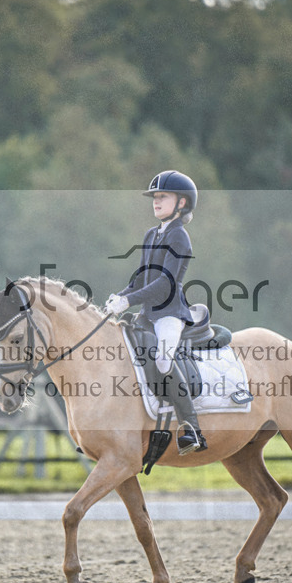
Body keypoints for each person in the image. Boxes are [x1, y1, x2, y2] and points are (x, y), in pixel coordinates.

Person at [105, 170, 207, 454]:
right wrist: (119, 297)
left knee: (163, 358)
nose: (156, 201)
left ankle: (192, 429)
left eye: (163, 196)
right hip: (148, 314)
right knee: (122, 354)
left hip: (170, 313)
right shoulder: (151, 234)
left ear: (182, 203)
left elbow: (165, 283)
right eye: (155, 197)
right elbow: (141, 278)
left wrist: (129, 301)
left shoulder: (180, 237)